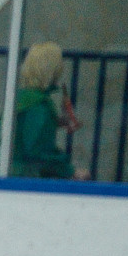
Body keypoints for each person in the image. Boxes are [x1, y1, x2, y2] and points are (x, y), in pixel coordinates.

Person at [11, 42, 81, 179]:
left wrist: (54, 123)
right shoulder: (39, 106)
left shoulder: (20, 97)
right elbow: (38, 154)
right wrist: (70, 171)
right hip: (27, 179)